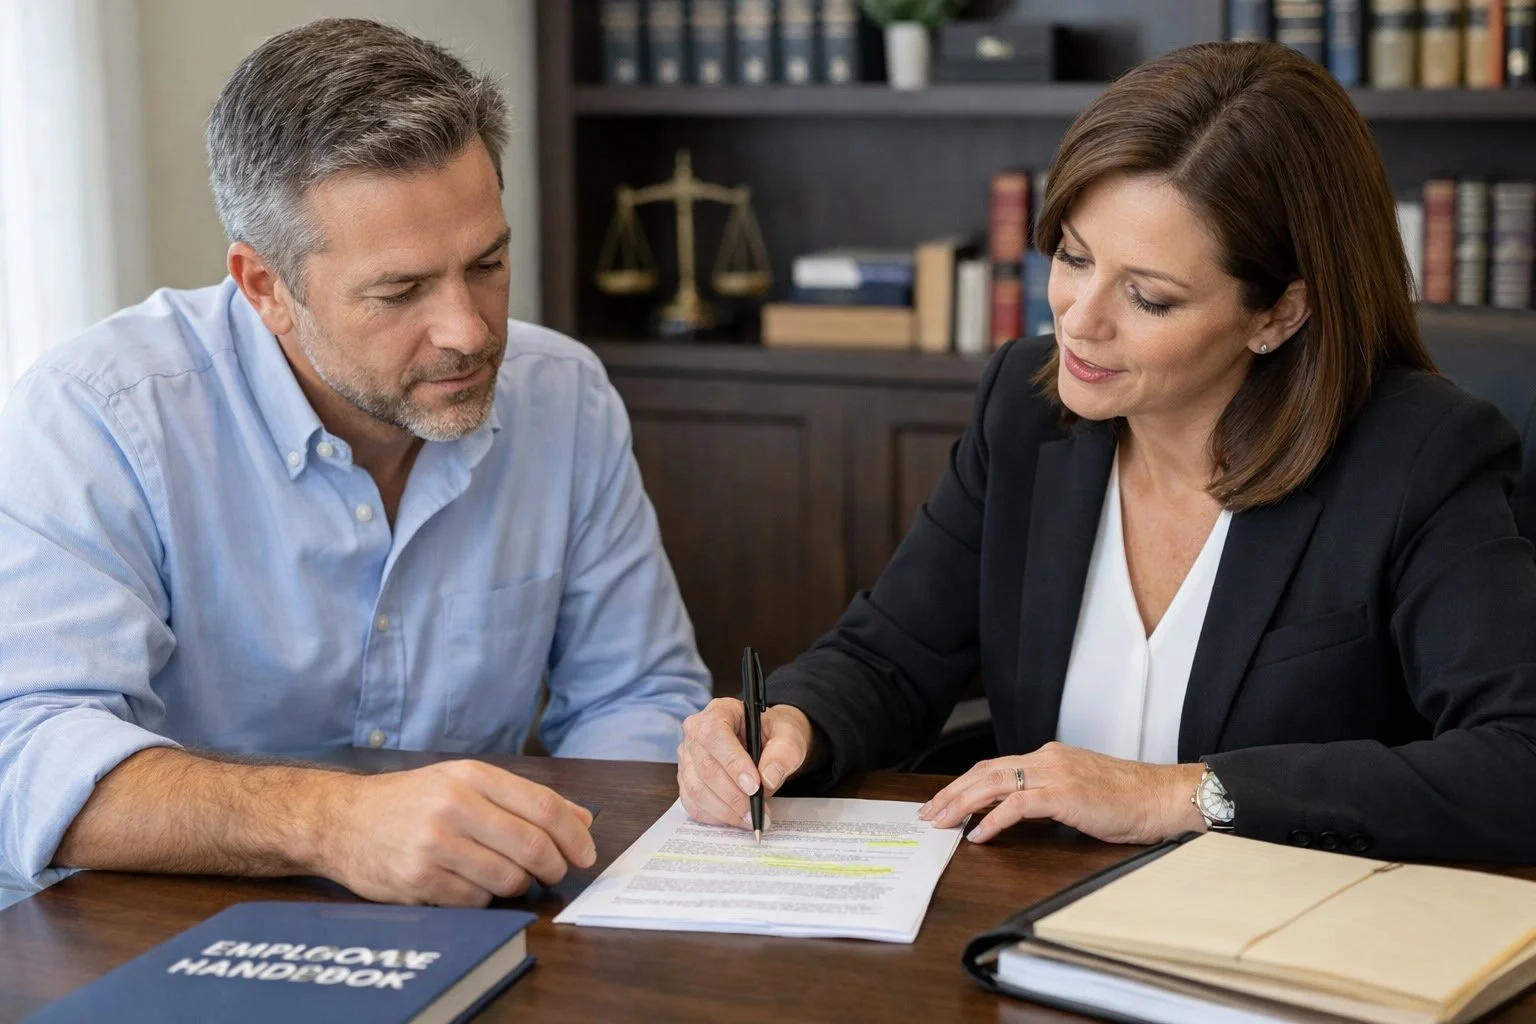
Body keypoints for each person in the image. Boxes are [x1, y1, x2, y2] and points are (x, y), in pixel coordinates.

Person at [677, 41, 1536, 863]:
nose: (1080, 319)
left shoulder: (1419, 456)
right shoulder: (1027, 411)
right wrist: (789, 725)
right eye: (1073, 258)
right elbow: (889, 659)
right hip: (1032, 933)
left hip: (1291, 952)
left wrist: (1179, 795)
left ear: (1279, 313)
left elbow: (1519, 757)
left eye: (1149, 297)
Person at [0, 19, 711, 903]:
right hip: (165, 931)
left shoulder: (562, 395)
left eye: (487, 262)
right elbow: (25, 755)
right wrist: (332, 824)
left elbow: (638, 698)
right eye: (401, 290)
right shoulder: (96, 415)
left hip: (471, 915)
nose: (470, 331)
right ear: (266, 288)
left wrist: (575, 866)